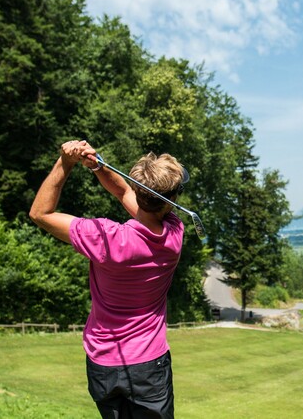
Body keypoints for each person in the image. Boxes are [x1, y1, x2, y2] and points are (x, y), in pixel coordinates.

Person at [29, 139, 188, 418]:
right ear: (171, 200)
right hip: (151, 365)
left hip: (103, 363)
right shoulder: (174, 233)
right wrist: (98, 166)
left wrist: (65, 163)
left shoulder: (105, 237)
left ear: (140, 191)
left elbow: (40, 213)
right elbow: (124, 191)